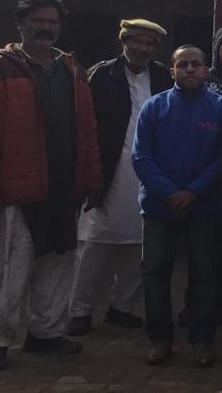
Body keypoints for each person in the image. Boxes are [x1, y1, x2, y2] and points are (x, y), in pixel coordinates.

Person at [0, 0, 101, 372]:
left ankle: (45, 334)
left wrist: (89, 178)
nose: (45, 28)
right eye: (38, 21)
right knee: (7, 269)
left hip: (62, 188)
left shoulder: (71, 70)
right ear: (20, 24)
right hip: (14, 190)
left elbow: (87, 129)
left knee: (57, 265)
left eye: (52, 22)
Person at [132, 46, 222, 367]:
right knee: (154, 272)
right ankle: (160, 339)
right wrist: (168, 192)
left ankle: (202, 340)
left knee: (204, 274)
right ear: (173, 70)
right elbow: (141, 157)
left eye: (195, 64)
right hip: (159, 206)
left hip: (202, 207)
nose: (189, 70)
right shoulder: (154, 107)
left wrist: (193, 191)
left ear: (206, 69)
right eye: (182, 65)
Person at [68, 17, 171, 337]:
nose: (142, 48)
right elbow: (82, 125)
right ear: (123, 41)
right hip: (107, 172)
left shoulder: (163, 77)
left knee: (141, 243)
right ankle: (79, 310)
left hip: (150, 172)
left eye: (149, 43)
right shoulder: (100, 75)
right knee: (94, 244)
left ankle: (122, 307)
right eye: (136, 41)